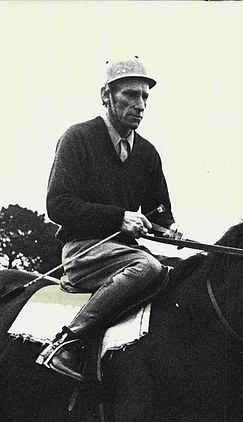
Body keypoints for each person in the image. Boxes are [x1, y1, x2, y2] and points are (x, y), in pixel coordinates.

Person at [37, 56, 182, 381]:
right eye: (130, 95)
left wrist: (170, 228)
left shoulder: (147, 154)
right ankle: (68, 341)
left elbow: (158, 210)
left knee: (177, 273)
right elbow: (58, 205)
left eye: (145, 96)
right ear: (106, 96)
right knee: (148, 268)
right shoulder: (78, 138)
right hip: (83, 252)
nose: (140, 104)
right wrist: (119, 219)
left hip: (123, 255)